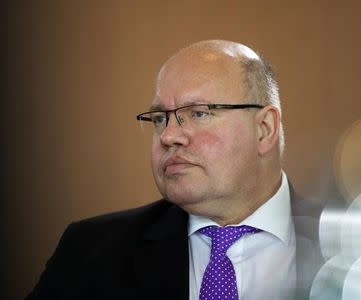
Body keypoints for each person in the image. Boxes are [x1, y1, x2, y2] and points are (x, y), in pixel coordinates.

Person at [26, 40, 323, 300]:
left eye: (198, 113)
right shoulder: (89, 253)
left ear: (264, 129)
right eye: (159, 119)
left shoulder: (357, 248)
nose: (168, 136)